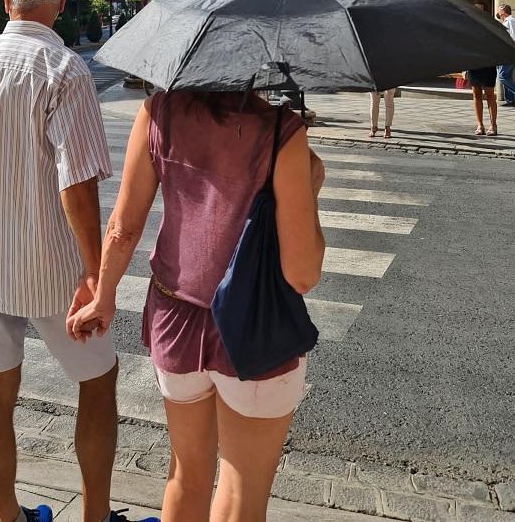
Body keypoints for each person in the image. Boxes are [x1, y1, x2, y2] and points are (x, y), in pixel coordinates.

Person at [0, 0, 154, 522]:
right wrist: (94, 271)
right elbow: (76, 185)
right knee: (99, 382)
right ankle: (96, 516)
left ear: (5, 2)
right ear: (60, 3)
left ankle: (8, 516)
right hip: (54, 268)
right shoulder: (64, 70)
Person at [68, 90, 325, 522]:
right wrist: (310, 189)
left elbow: (123, 228)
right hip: (253, 326)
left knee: (186, 474)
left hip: (174, 318)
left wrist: (103, 296)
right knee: (241, 485)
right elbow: (303, 274)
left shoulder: (158, 111)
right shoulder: (281, 131)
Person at [467, 2, 497, 136]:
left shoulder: (491, 26)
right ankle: (480, 125)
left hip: (488, 64)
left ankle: (493, 125)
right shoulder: (469, 27)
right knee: (476, 94)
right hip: (474, 64)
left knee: (490, 95)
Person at [496, 3, 515, 107]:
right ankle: (510, 100)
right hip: (504, 52)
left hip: (509, 53)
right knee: (506, 76)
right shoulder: (505, 22)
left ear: (503, 11)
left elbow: (513, 37)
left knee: (502, 76)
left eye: (499, 10)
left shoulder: (510, 21)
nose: (498, 12)